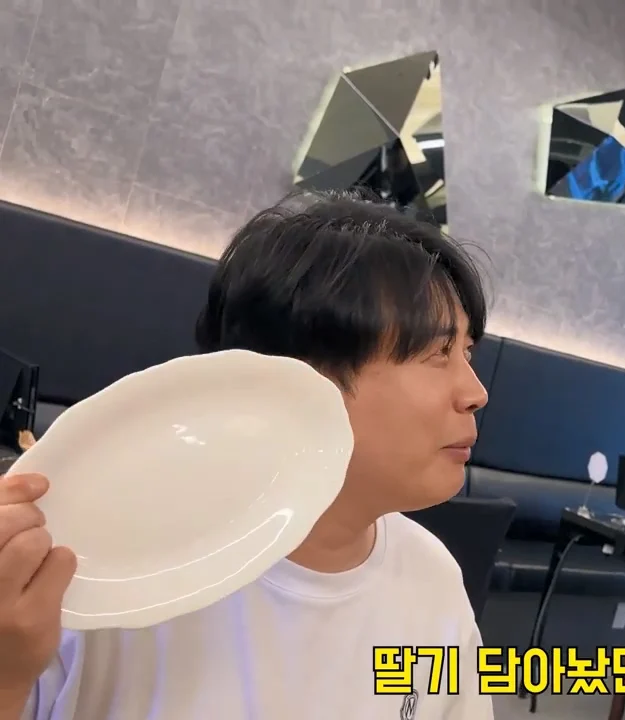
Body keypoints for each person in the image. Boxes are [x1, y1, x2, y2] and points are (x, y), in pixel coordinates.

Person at [0, 190, 496, 720]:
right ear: (295, 380)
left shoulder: (431, 577)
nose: (476, 392)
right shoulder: (97, 570)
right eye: (438, 352)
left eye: (467, 352)